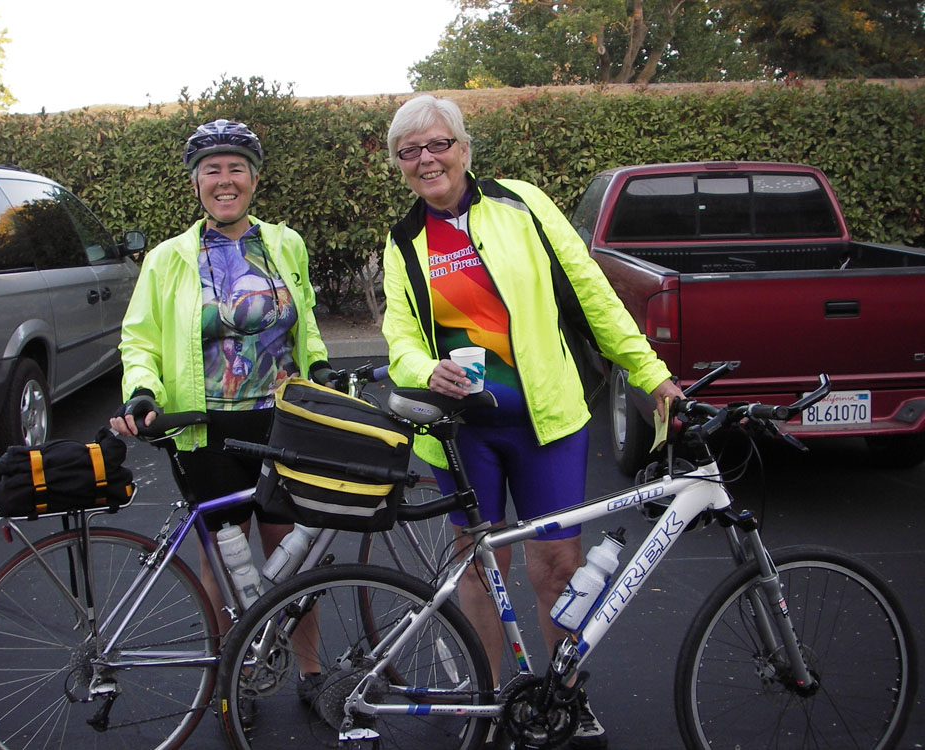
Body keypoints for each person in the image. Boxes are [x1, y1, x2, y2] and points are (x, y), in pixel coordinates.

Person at [381, 95, 683, 750]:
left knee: (557, 566)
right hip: (463, 432)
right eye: (410, 151)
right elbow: (399, 332)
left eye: (438, 144)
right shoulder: (405, 241)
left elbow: (590, 290)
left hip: (547, 421)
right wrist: (421, 366)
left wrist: (648, 369)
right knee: (481, 566)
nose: (427, 159)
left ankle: (566, 695)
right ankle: (489, 701)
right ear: (399, 165)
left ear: (464, 147)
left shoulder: (523, 204)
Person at [109, 119, 330, 699]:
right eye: (212, 170)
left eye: (236, 168)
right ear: (196, 184)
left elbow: (303, 323)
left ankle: (310, 671)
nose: (225, 180)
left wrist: (322, 369)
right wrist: (142, 389)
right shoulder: (167, 259)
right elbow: (139, 340)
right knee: (223, 558)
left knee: (292, 553)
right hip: (208, 428)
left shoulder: (285, 245)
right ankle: (230, 678)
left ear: (254, 179)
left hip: (283, 420)